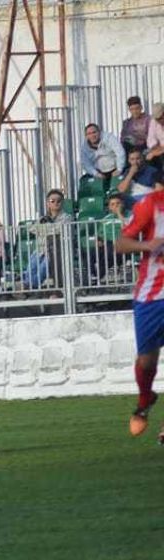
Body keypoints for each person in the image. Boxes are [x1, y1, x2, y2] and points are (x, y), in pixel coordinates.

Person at [115, 187, 164, 442]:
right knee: (147, 361)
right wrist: (148, 244)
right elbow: (121, 243)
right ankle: (145, 398)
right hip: (151, 295)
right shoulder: (151, 205)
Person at [26, 189, 72, 290]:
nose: (56, 203)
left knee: (43, 268)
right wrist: (49, 227)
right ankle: (28, 287)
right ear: (48, 203)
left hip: (55, 251)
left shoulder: (67, 217)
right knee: (31, 268)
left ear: (62, 203)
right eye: (52, 201)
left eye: (59, 201)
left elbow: (59, 230)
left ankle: (31, 288)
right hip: (40, 250)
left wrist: (43, 228)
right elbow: (32, 229)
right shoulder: (43, 218)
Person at [84, 194, 127, 285]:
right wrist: (98, 241)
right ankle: (93, 275)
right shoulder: (105, 219)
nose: (115, 206)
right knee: (89, 253)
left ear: (122, 204)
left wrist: (119, 214)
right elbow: (99, 234)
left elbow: (128, 229)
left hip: (122, 246)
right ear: (109, 207)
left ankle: (94, 280)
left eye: (118, 204)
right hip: (106, 245)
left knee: (108, 253)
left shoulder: (128, 216)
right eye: (112, 204)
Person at [80, 122, 126, 191]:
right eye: (89, 134)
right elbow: (86, 163)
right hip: (98, 173)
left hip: (115, 170)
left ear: (99, 132)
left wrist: (119, 169)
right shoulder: (84, 147)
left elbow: (120, 152)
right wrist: (96, 173)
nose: (92, 135)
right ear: (86, 136)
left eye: (94, 132)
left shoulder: (109, 138)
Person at [120, 95, 164, 162]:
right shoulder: (126, 123)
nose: (135, 111)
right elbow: (122, 138)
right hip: (130, 149)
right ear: (129, 110)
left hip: (145, 147)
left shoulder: (148, 119)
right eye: (132, 109)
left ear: (141, 107)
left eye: (137, 108)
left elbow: (151, 137)